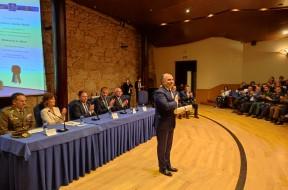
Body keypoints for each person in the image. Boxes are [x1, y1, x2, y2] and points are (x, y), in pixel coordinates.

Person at [154, 73, 178, 176]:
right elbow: (166, 106)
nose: (171, 81)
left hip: (171, 123)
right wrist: (176, 102)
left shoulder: (171, 91)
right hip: (162, 124)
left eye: (172, 79)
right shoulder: (159, 92)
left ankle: (168, 165)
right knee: (162, 147)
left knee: (168, 146)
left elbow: (171, 106)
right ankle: (162, 168)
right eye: (168, 80)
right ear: (163, 81)